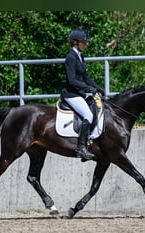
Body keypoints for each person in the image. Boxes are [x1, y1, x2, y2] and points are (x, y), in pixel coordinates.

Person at [61, 28, 104, 160]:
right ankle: (81, 148)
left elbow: (86, 77)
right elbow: (72, 80)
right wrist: (88, 89)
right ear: (76, 43)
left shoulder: (80, 56)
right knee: (88, 115)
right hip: (71, 94)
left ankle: (90, 143)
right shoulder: (70, 58)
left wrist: (98, 88)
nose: (85, 45)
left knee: (95, 109)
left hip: (80, 92)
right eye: (83, 42)